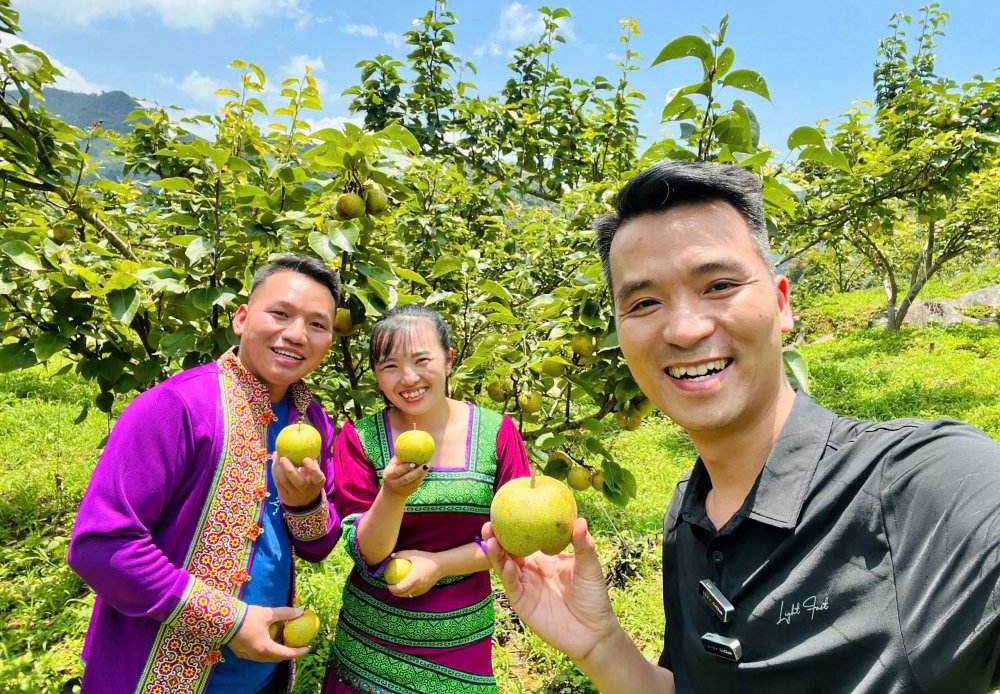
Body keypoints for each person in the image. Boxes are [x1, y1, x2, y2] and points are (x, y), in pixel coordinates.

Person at [483, 161, 1000, 693]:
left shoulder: (927, 486)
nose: (684, 328)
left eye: (719, 285)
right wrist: (601, 644)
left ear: (780, 303)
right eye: (644, 302)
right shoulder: (689, 513)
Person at [67, 254, 344, 694]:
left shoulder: (311, 421)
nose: (296, 334)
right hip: (155, 674)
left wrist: (305, 504)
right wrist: (229, 622)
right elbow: (101, 546)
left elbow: (318, 546)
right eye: (280, 313)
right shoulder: (175, 408)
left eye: (317, 324)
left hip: (263, 677)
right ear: (241, 318)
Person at [324, 304, 531, 694]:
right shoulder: (359, 439)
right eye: (390, 366)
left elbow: (517, 537)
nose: (409, 378)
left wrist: (438, 565)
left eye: (422, 360)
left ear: (449, 360)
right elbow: (366, 552)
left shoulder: (498, 433)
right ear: (376, 375)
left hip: (461, 637)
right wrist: (392, 494)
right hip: (372, 643)